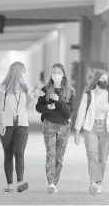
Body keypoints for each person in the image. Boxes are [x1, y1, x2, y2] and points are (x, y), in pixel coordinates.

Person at [0, 61, 45, 193]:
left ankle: (21, 182)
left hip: (22, 125)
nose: (24, 74)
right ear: (17, 72)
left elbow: (28, 107)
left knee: (19, 152)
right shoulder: (3, 88)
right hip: (7, 125)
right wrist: (1, 123)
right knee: (8, 153)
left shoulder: (25, 88)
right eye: (23, 71)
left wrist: (35, 96)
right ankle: (9, 183)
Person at [74, 70, 109, 195]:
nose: (105, 81)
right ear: (97, 80)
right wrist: (77, 133)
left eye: (106, 79)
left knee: (103, 159)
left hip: (105, 129)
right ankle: (93, 182)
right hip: (91, 129)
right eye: (102, 79)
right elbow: (81, 114)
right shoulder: (87, 95)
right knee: (92, 156)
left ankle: (99, 182)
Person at [35, 63, 75, 194]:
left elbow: (69, 113)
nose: (56, 74)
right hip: (49, 125)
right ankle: (51, 182)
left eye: (58, 72)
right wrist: (47, 108)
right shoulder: (45, 89)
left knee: (59, 157)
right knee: (50, 154)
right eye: (53, 72)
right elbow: (38, 107)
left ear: (63, 74)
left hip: (64, 126)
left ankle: (55, 181)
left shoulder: (70, 92)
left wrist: (59, 100)